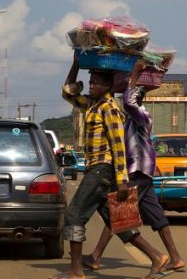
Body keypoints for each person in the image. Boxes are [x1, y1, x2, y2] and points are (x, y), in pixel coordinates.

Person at [51, 55, 168, 279]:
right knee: (118, 221)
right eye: (91, 81)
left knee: (74, 215)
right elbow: (67, 93)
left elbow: (118, 146)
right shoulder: (91, 105)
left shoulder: (110, 109)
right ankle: (156, 256)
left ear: (108, 86)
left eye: (96, 82)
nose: (92, 85)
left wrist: (122, 178)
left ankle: (76, 270)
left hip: (102, 170)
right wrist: (75, 64)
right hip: (97, 170)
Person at [82, 61, 184, 276]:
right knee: (156, 216)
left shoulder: (141, 116)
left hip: (138, 170)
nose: (124, 100)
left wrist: (135, 72)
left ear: (137, 99)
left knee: (117, 212)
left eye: (130, 97)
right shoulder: (128, 119)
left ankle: (97, 256)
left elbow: (128, 101)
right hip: (143, 172)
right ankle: (175, 257)